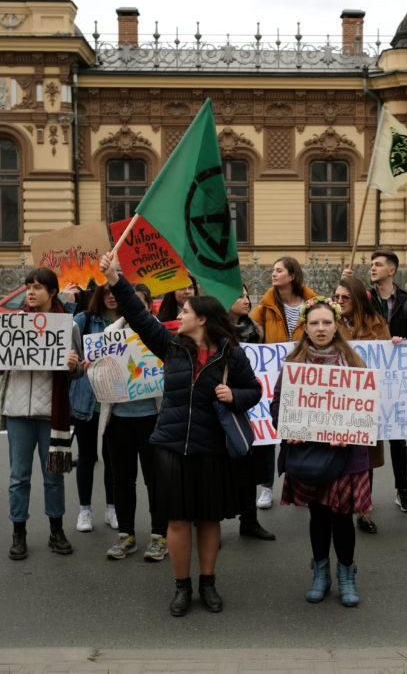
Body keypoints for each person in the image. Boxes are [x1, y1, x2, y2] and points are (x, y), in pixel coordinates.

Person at [100, 253, 262, 617]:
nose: (180, 315)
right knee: (175, 520)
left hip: (212, 448)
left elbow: (254, 391)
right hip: (171, 447)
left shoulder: (231, 355)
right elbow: (139, 316)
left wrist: (234, 395)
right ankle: (182, 587)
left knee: (208, 519)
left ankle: (208, 583)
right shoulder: (170, 346)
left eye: (186, 311)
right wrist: (114, 278)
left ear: (202, 319)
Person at [273, 296, 370, 607]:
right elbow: (278, 406)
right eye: (314, 323)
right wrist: (290, 429)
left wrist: (348, 432)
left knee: (342, 519)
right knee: (318, 516)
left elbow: (365, 408)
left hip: (344, 457)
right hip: (308, 456)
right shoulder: (294, 364)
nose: (321, 328)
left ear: (337, 325)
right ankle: (320, 573)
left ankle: (347, 575)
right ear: (305, 327)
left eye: (327, 322)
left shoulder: (353, 363)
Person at [0, 268, 83, 560]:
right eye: (28, 287)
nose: (30, 292)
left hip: (52, 413)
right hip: (18, 411)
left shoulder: (68, 326)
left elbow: (77, 370)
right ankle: (19, 533)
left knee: (54, 477)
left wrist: (73, 366)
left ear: (52, 292)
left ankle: (56, 530)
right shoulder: (13, 324)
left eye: (37, 287)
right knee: (18, 477)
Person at [344, 249, 407, 514]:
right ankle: (366, 494)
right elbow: (345, 315)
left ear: (392, 270)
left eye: (378, 264)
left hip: (396, 380)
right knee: (368, 438)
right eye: (371, 265)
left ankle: (403, 490)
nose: (372, 268)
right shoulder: (364, 299)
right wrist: (345, 283)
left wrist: (403, 343)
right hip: (368, 379)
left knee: (398, 439)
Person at [100, 283, 169, 561]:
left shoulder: (161, 335)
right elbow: (102, 375)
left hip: (153, 418)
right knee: (122, 479)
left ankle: (159, 535)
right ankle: (125, 535)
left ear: (149, 306)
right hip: (118, 419)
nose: (131, 308)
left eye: (137, 303)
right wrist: (92, 368)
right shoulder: (109, 334)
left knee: (156, 479)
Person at [250, 256, 317, 509]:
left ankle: (302, 484)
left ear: (292, 275)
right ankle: (266, 487)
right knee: (268, 436)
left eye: (279, 270)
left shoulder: (314, 304)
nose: (273, 274)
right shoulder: (264, 308)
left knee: (301, 434)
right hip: (272, 380)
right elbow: (250, 338)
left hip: (305, 379)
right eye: (273, 269)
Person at [333, 275, 390, 534]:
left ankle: (363, 511)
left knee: (364, 460)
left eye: (345, 297)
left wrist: (395, 345)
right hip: (338, 403)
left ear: (357, 299)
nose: (340, 301)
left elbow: (387, 359)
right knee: (340, 456)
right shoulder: (330, 323)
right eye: (336, 297)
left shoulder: (377, 323)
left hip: (367, 404)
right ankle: (339, 505)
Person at [228, 285, 276, 541]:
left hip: (251, 403)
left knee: (248, 464)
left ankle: (249, 520)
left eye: (248, 296)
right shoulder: (215, 331)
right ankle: (209, 524)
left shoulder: (255, 330)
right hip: (224, 403)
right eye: (240, 296)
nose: (246, 301)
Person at [70, 283, 118, 532]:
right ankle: (84, 510)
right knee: (87, 457)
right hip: (87, 400)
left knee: (113, 459)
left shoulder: (129, 322)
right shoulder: (84, 320)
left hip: (117, 401)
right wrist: (79, 364)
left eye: (115, 291)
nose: (111, 296)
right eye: (106, 292)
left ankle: (112, 508)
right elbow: (68, 355)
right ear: (98, 295)